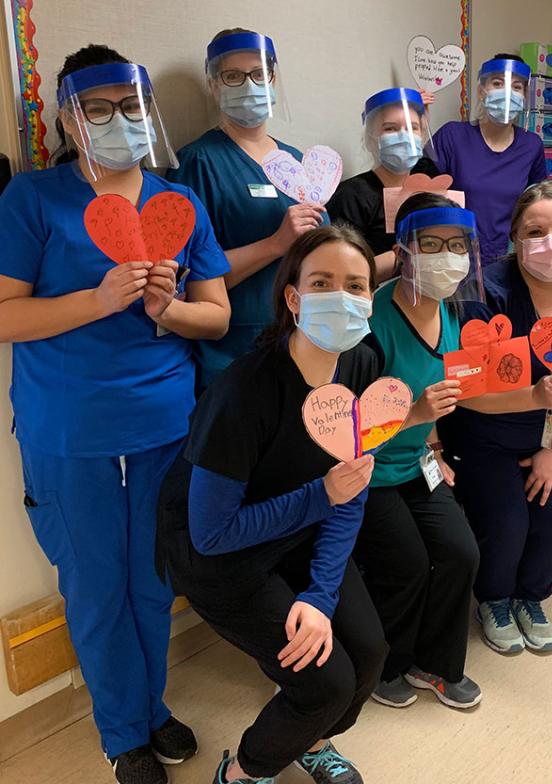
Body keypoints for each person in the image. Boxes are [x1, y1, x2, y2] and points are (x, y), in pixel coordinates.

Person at [0, 45, 231, 784]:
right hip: (70, 433)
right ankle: (123, 731)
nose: (116, 122)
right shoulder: (32, 199)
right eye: (96, 109)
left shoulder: (177, 204)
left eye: (130, 108)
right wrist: (98, 300)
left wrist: (170, 307)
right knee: (96, 587)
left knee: (154, 581)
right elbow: (5, 315)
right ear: (67, 116)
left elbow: (218, 318)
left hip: (165, 424)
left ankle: (151, 707)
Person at [157, 223, 451, 783]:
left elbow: (350, 489)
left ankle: (312, 743)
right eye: (321, 282)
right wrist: (322, 494)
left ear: (372, 297)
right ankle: (244, 772)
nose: (341, 296)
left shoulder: (361, 364)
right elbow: (212, 534)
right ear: (293, 297)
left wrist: (319, 594)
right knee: (324, 681)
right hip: (223, 556)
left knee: (368, 655)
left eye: (356, 285)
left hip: (300, 529)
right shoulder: (244, 392)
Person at [439, 183, 552, 654]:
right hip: (488, 433)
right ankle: (494, 598)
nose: (549, 243)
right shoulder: (483, 290)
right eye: (535, 231)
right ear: (515, 238)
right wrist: (533, 396)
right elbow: (466, 393)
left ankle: (530, 595)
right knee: (506, 524)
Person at [356, 193, 482, 710]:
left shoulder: (449, 313)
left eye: (457, 246)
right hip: (367, 473)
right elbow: (346, 428)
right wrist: (414, 415)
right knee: (406, 563)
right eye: (432, 244)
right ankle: (389, 665)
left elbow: (444, 395)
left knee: (461, 552)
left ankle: (435, 664)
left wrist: (433, 452)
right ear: (405, 250)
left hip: (414, 465)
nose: (447, 257)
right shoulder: (372, 320)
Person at [167, 28, 325, 389]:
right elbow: (187, 282)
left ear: (272, 79)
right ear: (214, 85)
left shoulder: (296, 161)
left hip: (301, 339)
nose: (248, 85)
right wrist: (274, 244)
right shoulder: (198, 162)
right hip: (234, 352)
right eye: (233, 76)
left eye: (257, 74)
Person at [432, 54, 546, 265]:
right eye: (497, 83)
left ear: (524, 96)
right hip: (454, 257)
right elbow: (423, 193)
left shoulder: (531, 145)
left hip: (510, 259)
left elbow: (538, 202)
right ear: (481, 90)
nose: (507, 93)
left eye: (517, 87)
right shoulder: (452, 136)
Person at [327, 88, 439, 281]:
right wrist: (401, 258)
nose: (405, 137)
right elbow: (338, 272)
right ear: (372, 139)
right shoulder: (352, 196)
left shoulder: (428, 194)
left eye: (413, 128)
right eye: (390, 128)